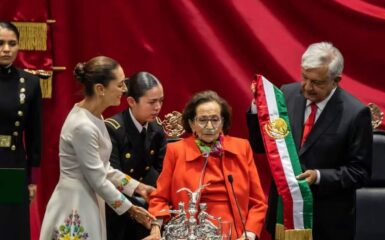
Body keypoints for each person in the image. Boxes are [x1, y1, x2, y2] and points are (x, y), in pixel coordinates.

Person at [247, 42, 372, 240]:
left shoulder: (356, 114)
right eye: (304, 77)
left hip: (327, 223)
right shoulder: (286, 95)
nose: (306, 87)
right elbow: (261, 146)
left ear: (336, 80)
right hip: (283, 218)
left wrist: (319, 176)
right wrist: (257, 108)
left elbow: (360, 173)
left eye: (317, 82)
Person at [39, 56, 155, 240]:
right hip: (75, 203)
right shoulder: (83, 126)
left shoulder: (94, 117)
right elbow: (98, 180)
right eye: (119, 85)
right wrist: (131, 210)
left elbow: (103, 167)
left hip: (89, 198)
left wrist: (138, 187)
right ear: (100, 89)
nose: (124, 90)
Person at [146, 90, 267, 240]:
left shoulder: (242, 148)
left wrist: (248, 234)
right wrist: (156, 227)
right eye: (202, 120)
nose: (209, 126)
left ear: (223, 122)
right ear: (192, 123)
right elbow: (159, 198)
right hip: (190, 233)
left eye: (215, 119)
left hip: (235, 234)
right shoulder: (176, 151)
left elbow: (258, 203)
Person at [105, 71, 166, 240]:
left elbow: (161, 173)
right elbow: (111, 177)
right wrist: (133, 207)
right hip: (118, 206)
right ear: (131, 101)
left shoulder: (157, 129)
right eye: (152, 102)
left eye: (161, 101)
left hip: (149, 204)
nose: (158, 107)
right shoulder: (113, 129)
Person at [0, 21, 42, 240]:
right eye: (0, 43)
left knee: (10, 227)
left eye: (12, 43)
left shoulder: (30, 83)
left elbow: (35, 135)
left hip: (12, 165)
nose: (6, 49)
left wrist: (32, 179)